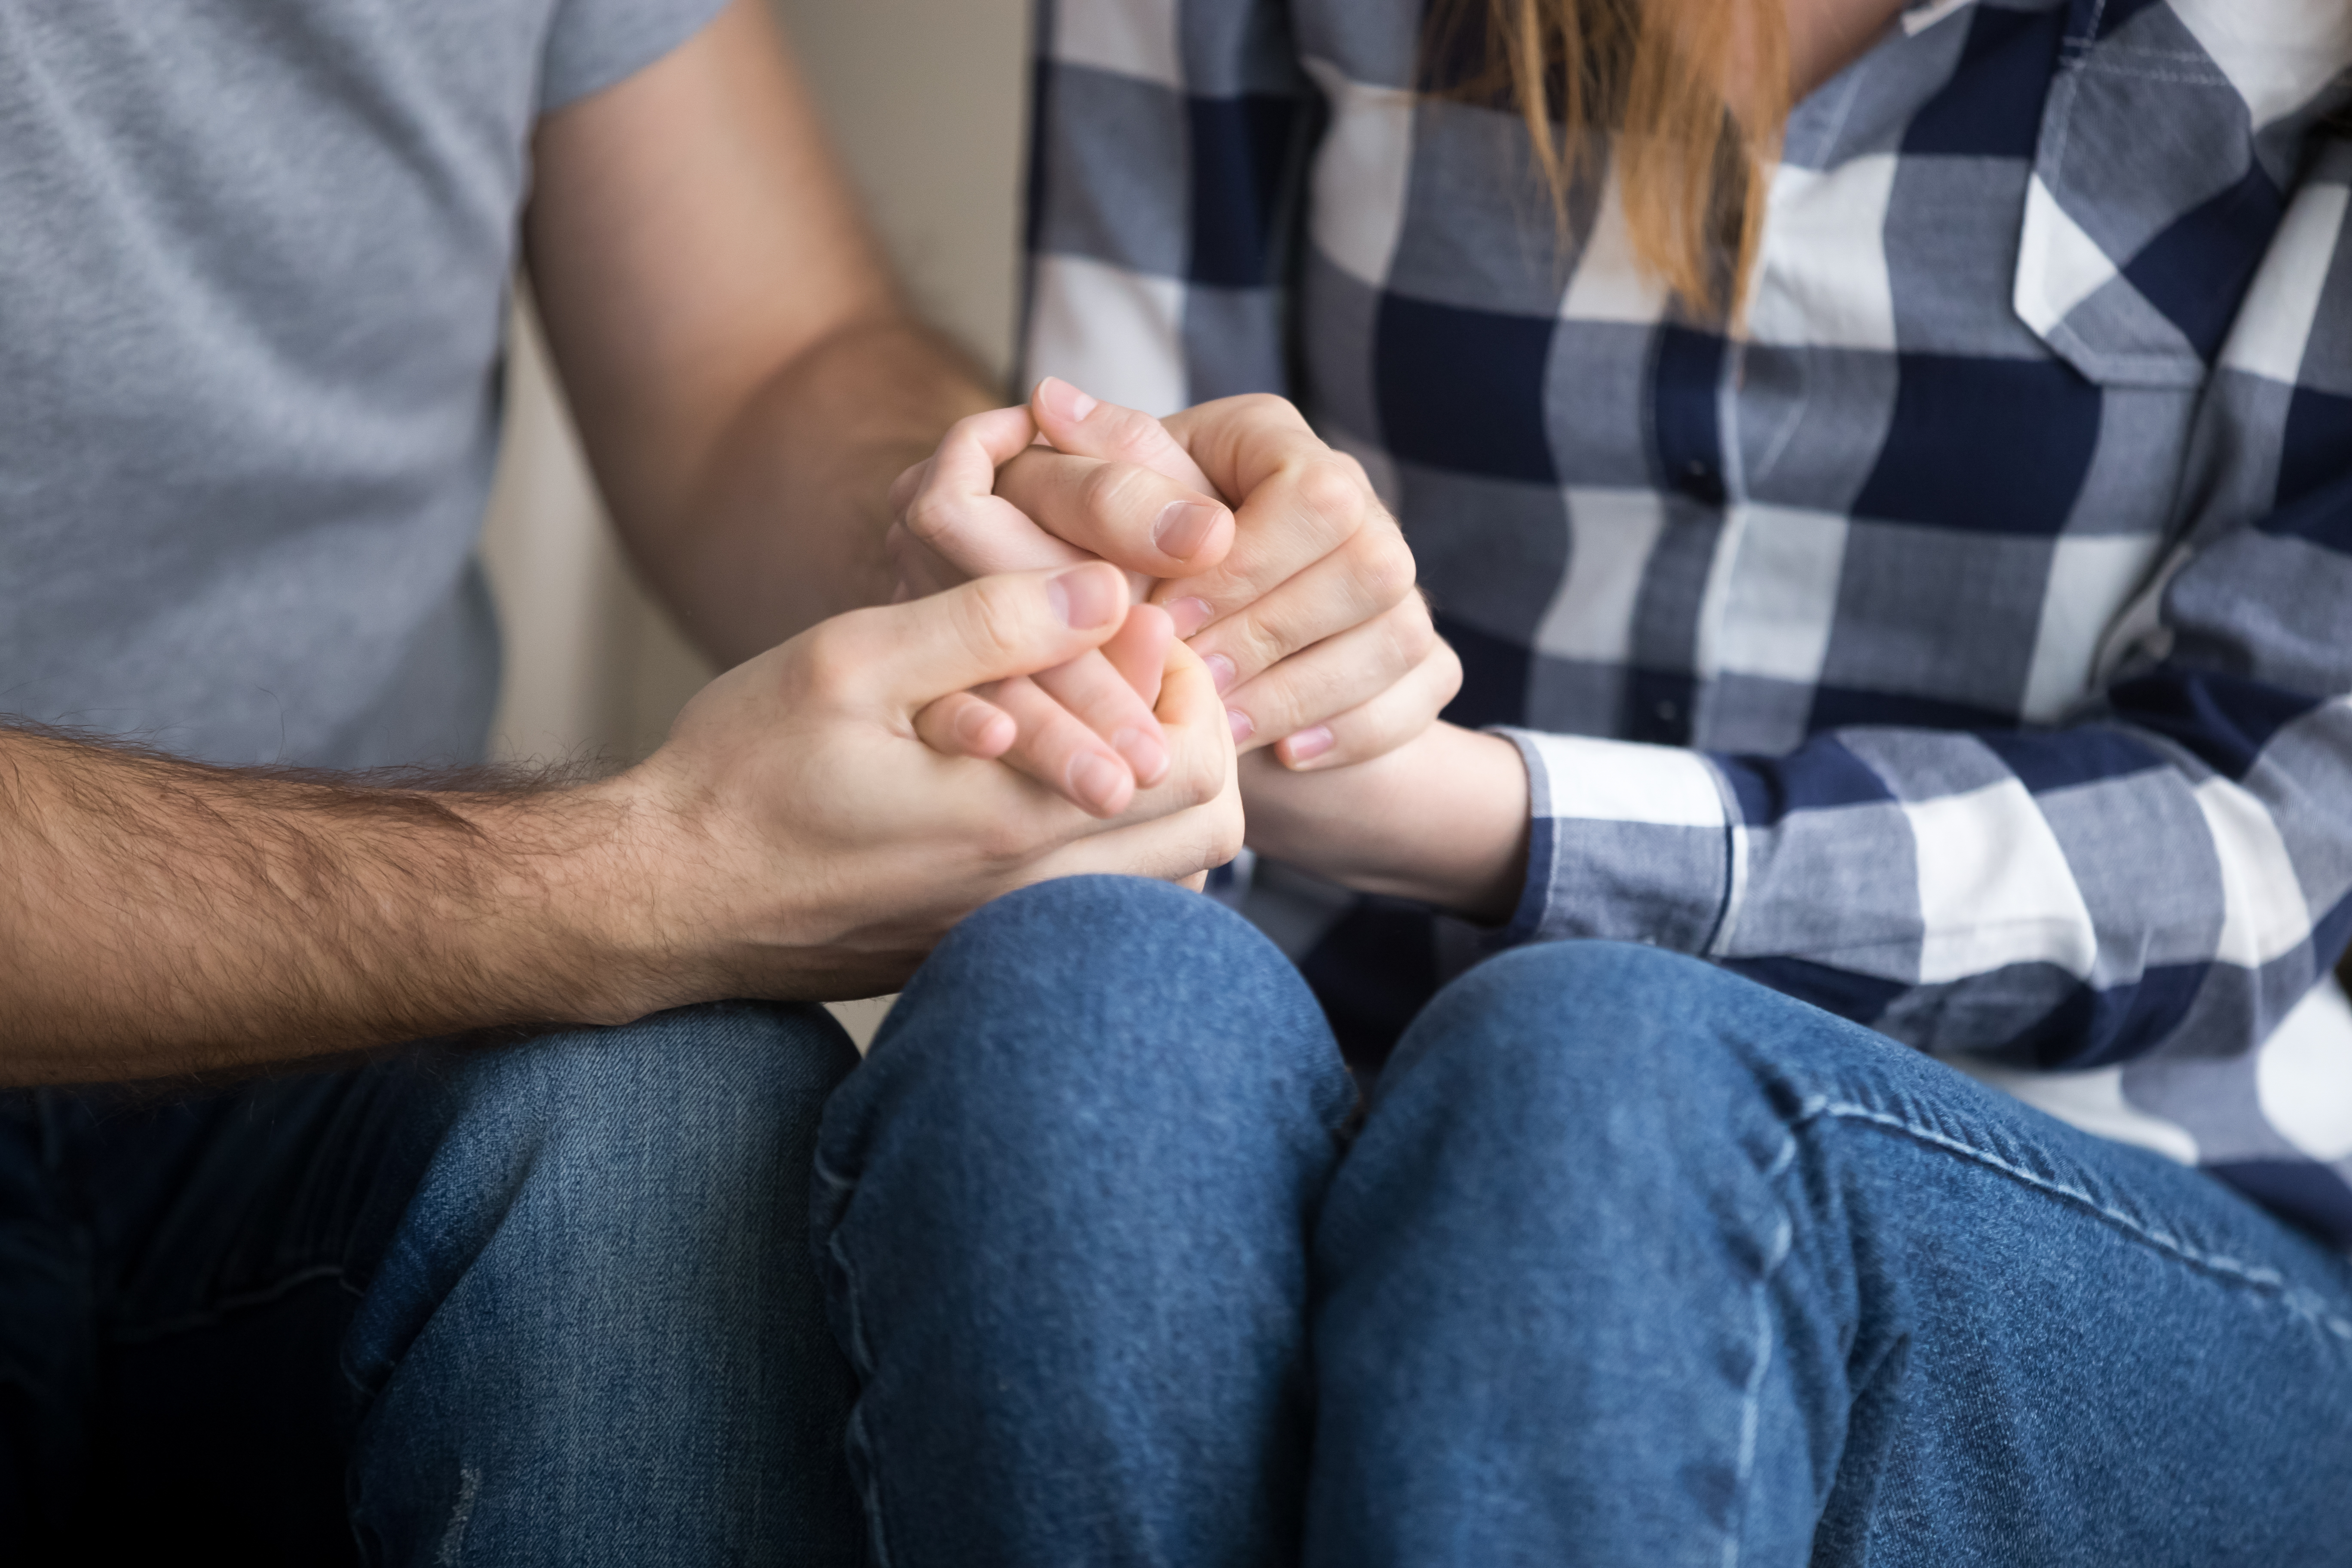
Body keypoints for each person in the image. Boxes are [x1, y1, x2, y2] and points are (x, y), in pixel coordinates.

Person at [807, 0, 2352, 1560]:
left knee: (1598, 1085)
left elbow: (2257, 841)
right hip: (1355, 1068)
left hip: (2145, 1196)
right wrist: (1077, 596)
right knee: (1070, 1008)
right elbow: (1118, 527)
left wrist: (1472, 811)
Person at [0, 0, 1442, 1559]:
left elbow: (762, 363)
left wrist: (982, 554)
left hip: (314, 1083)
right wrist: (631, 874)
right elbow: (632, 884)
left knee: (665, 1126)